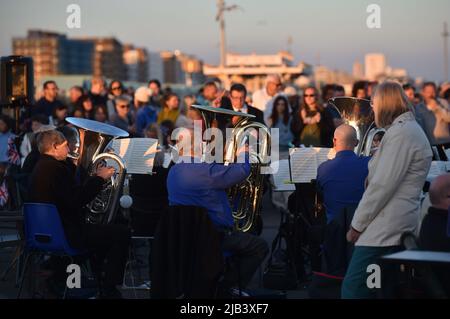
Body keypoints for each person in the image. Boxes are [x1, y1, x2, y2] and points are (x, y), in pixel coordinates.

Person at [342, 81, 433, 299]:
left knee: (354, 289)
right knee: (380, 290)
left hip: (385, 229)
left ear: (386, 103)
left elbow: (381, 187)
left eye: (374, 102)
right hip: (394, 225)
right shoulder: (404, 130)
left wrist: (356, 225)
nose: (372, 107)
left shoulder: (402, 134)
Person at [29, 130, 130, 298]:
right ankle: (108, 287)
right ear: (54, 146)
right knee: (121, 233)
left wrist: (87, 174)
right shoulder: (55, 169)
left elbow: (68, 196)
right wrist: (99, 179)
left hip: (45, 232)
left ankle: (74, 278)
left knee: (103, 233)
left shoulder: (41, 166)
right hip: (65, 233)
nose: (69, 150)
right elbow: (76, 201)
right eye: (66, 146)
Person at [167, 129, 268, 293]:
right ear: (197, 146)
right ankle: (226, 287)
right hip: (214, 236)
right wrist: (243, 152)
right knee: (259, 246)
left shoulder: (173, 171)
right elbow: (242, 170)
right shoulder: (206, 171)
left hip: (184, 236)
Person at [317, 124, 370, 223]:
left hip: (333, 230)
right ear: (357, 143)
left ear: (334, 141)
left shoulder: (323, 168)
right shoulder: (369, 163)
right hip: (360, 228)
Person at [415, 82, 450, 154]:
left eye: (433, 92)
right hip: (430, 145)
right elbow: (420, 127)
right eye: (428, 92)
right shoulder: (419, 107)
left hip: (446, 142)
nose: (431, 94)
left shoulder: (443, 103)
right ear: (423, 93)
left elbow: (448, 118)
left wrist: (438, 108)